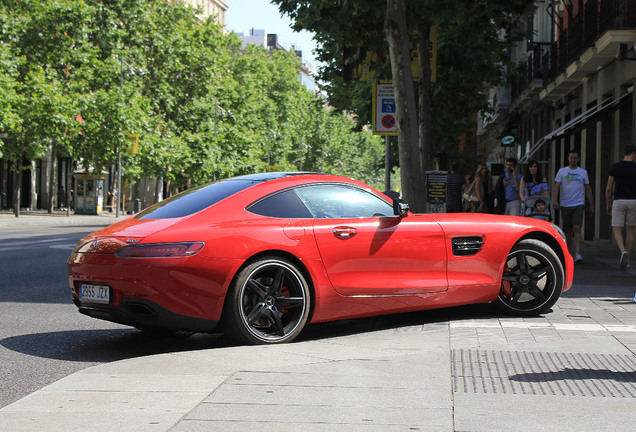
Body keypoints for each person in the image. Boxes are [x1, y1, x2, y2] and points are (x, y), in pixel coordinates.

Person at [553, 149, 595, 263]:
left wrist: (592, 204)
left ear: (578, 159)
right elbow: (557, 186)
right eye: (571, 158)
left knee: (577, 228)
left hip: (578, 203)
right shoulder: (562, 171)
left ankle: (577, 253)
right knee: (567, 230)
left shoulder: (583, 172)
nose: (573, 160)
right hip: (565, 204)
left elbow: (588, 188)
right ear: (568, 158)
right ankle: (568, 253)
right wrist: (555, 200)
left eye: (575, 158)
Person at [604, 144, 636, 270]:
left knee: (617, 229)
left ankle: (623, 251)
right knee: (631, 230)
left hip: (619, 200)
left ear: (624, 153)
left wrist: (608, 203)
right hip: (633, 201)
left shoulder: (615, 167)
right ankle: (627, 260)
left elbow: (608, 188)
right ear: (633, 154)